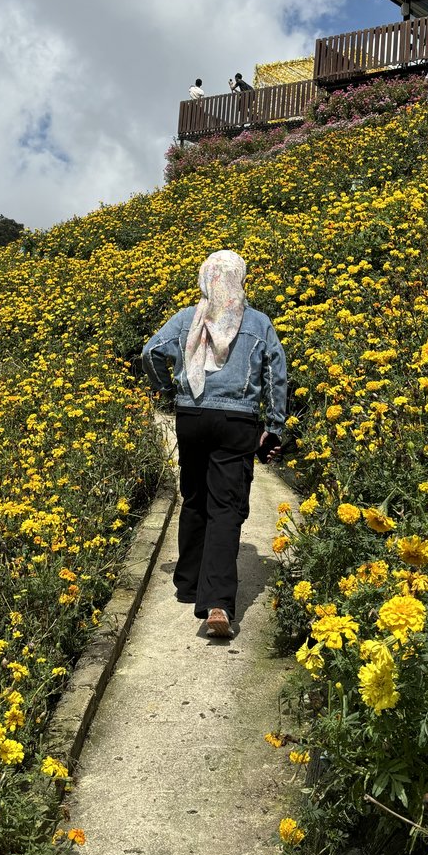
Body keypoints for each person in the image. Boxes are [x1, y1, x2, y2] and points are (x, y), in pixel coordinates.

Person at [142, 250, 287, 640]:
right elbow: (276, 374)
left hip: (191, 416)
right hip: (236, 420)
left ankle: (188, 584)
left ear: (205, 278)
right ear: (240, 279)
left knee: (194, 497)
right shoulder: (258, 322)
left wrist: (166, 388)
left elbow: (150, 352)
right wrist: (273, 427)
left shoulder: (187, 318)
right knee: (226, 506)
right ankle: (217, 602)